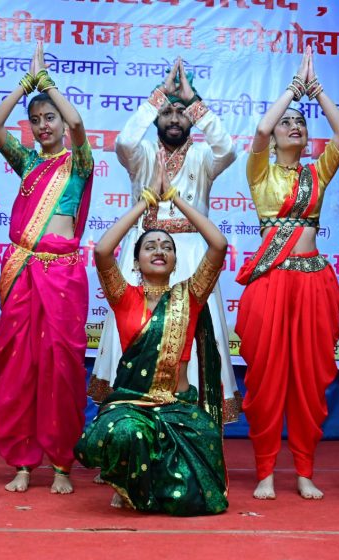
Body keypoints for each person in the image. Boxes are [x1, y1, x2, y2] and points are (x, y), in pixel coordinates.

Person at [75, 149, 230, 516]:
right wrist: (145, 202)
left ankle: (147, 483)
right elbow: (102, 251)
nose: (159, 250)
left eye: (166, 247)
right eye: (150, 246)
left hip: (178, 409)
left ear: (176, 261)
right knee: (127, 432)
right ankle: (127, 481)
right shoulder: (124, 297)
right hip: (134, 406)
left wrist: (174, 198)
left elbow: (218, 245)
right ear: (137, 259)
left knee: (204, 489)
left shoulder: (190, 297)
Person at [89, 57, 242, 426]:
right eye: (167, 113)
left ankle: (195, 430)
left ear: (191, 118)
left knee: (198, 339)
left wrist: (194, 103)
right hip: (141, 255)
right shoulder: (142, 154)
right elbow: (124, 142)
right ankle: (121, 430)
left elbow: (229, 150)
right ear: (156, 117)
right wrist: (158, 97)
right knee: (132, 335)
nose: (174, 119)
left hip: (190, 257)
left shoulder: (204, 156)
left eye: (181, 114)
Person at [0, 41, 94, 495]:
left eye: (51, 118)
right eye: (37, 120)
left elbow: (80, 123)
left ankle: (62, 464)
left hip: (62, 275)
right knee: (20, 368)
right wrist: (25, 86)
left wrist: (48, 84)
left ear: (63, 124)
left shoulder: (79, 163)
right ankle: (24, 461)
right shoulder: (27, 163)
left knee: (60, 368)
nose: (44, 126)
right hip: (24, 271)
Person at [234, 46, 339, 501]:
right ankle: (265, 471)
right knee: (266, 379)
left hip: (312, 282)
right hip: (271, 281)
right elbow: (263, 127)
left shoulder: (317, 172)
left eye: (301, 123)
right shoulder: (260, 171)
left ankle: (304, 469)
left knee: (308, 379)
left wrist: (316, 91)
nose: (294, 126)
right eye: (289, 122)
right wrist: (290, 90)